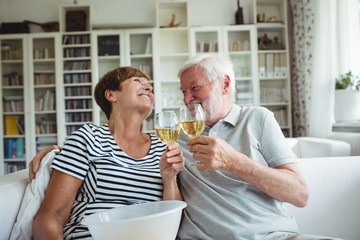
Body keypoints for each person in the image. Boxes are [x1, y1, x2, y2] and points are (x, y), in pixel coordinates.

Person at [30, 55, 342, 240]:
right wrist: (56, 153)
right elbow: (53, 212)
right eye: (183, 91)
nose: (187, 98)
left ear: (224, 84)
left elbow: (300, 194)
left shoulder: (252, 120)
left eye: (195, 88)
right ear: (111, 95)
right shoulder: (169, 136)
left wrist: (234, 161)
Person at [32, 66, 184, 239]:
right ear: (111, 95)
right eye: (137, 81)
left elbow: (172, 215)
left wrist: (170, 178)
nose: (148, 87)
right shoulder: (88, 138)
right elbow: (52, 215)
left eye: (149, 85)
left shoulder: (162, 145)